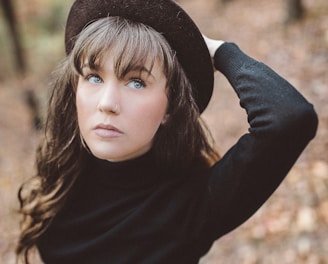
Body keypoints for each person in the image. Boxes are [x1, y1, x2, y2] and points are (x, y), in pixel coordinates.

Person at [16, 0, 318, 263]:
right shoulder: (60, 178)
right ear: (75, 88)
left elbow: (289, 117)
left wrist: (219, 51)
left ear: (170, 107)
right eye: (94, 77)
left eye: (136, 81)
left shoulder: (192, 205)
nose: (107, 104)